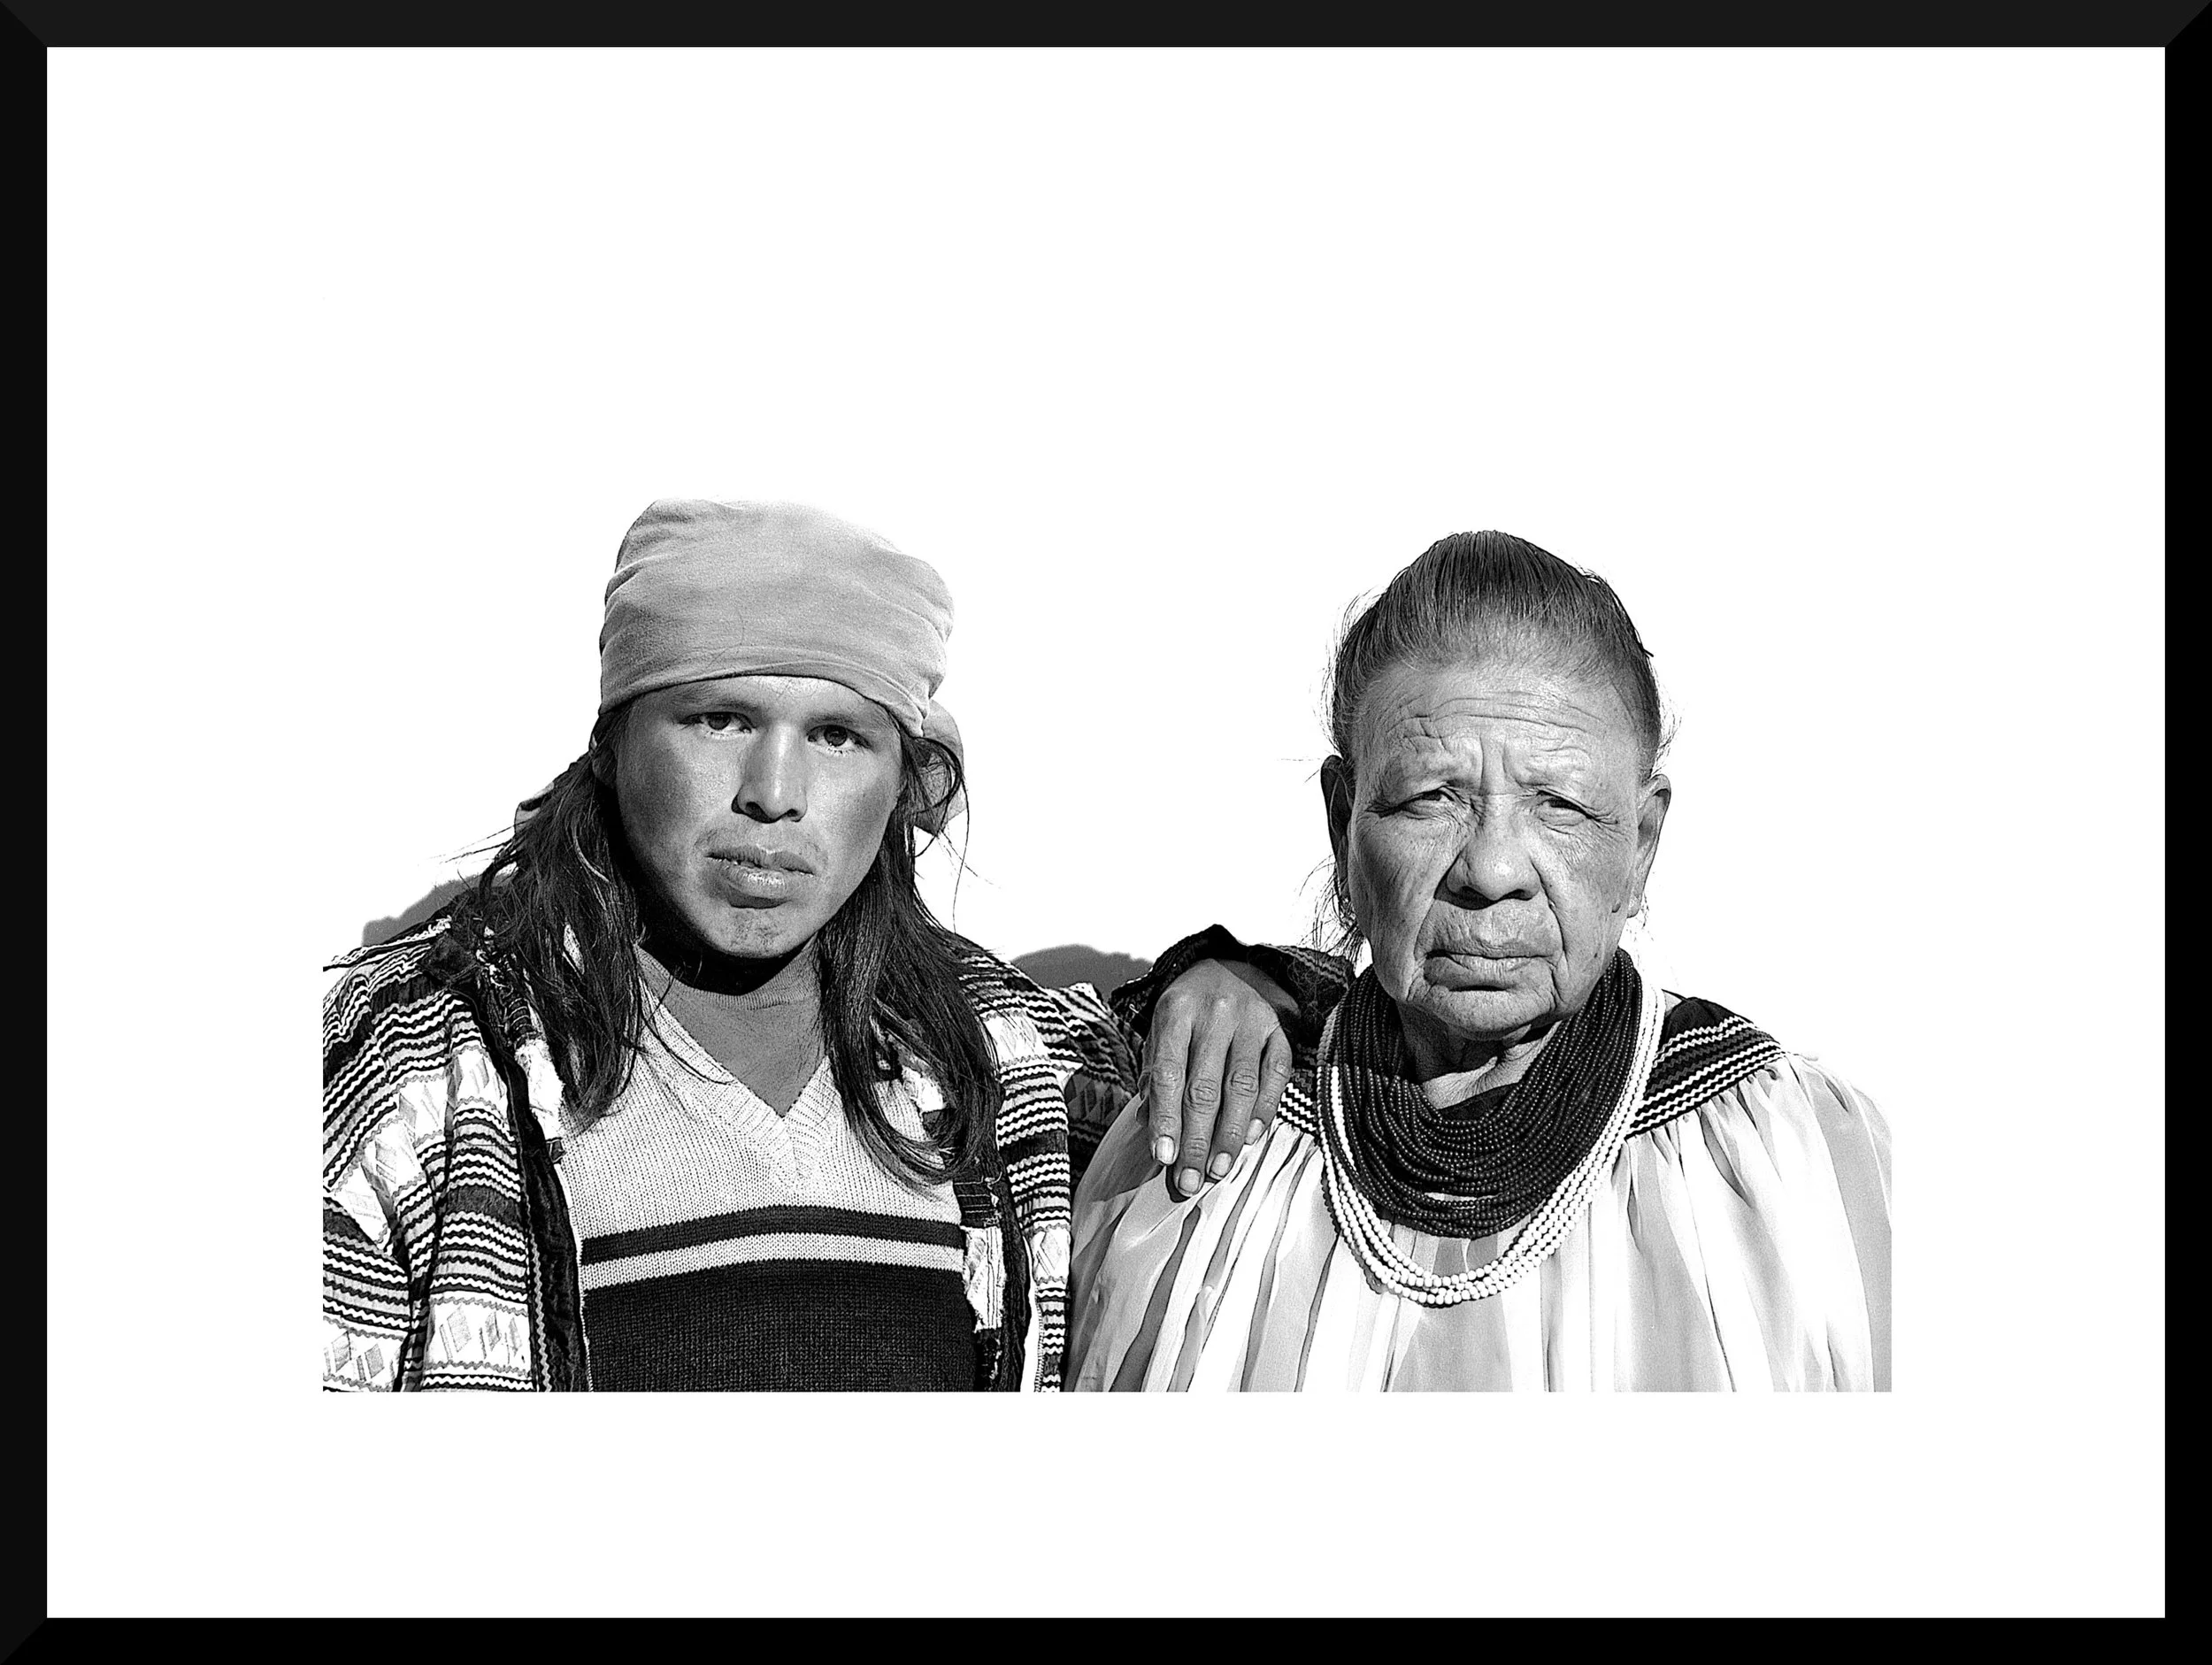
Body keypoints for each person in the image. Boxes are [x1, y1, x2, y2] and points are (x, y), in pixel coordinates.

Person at [322, 498, 1306, 1391]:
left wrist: (1238, 977)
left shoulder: (980, 1044)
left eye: (838, 736)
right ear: (614, 744)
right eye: (717, 718)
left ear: (901, 781)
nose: (774, 791)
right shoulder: (417, 1064)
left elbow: (1345, 1033)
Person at [1067, 531, 1892, 1392]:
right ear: (1342, 818)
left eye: (1560, 806)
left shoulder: (1792, 1169)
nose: (1491, 869)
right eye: (1430, 798)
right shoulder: (1206, 1142)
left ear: (1641, 841)